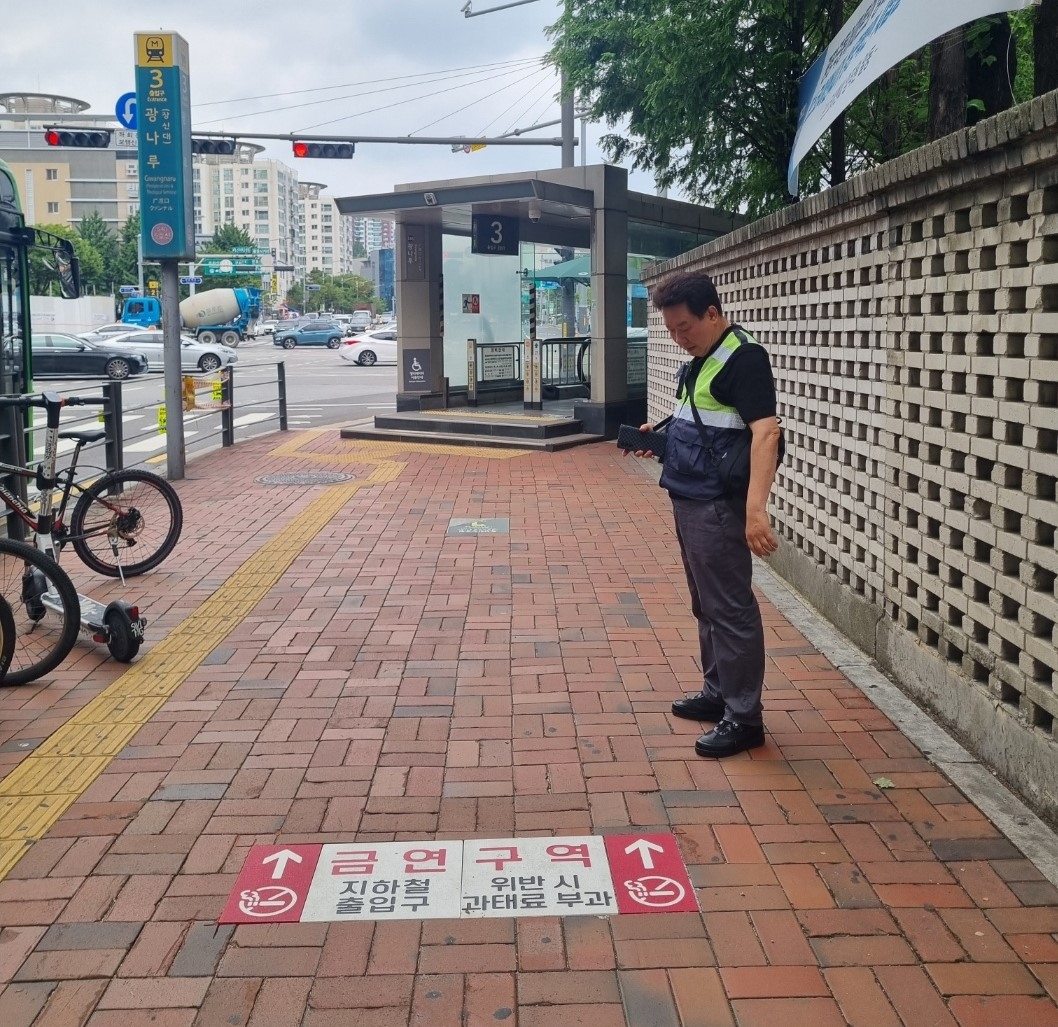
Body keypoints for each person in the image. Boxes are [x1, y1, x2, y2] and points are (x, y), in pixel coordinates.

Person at [631, 271, 782, 758]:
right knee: (705, 605)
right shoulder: (701, 359)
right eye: (671, 330)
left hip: (719, 506)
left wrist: (755, 511)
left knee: (731, 609)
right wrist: (663, 432)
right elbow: (706, 416)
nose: (678, 338)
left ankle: (744, 717)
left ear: (712, 314)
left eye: (685, 327)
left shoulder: (745, 359)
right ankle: (718, 694)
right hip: (689, 497)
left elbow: (765, 434)